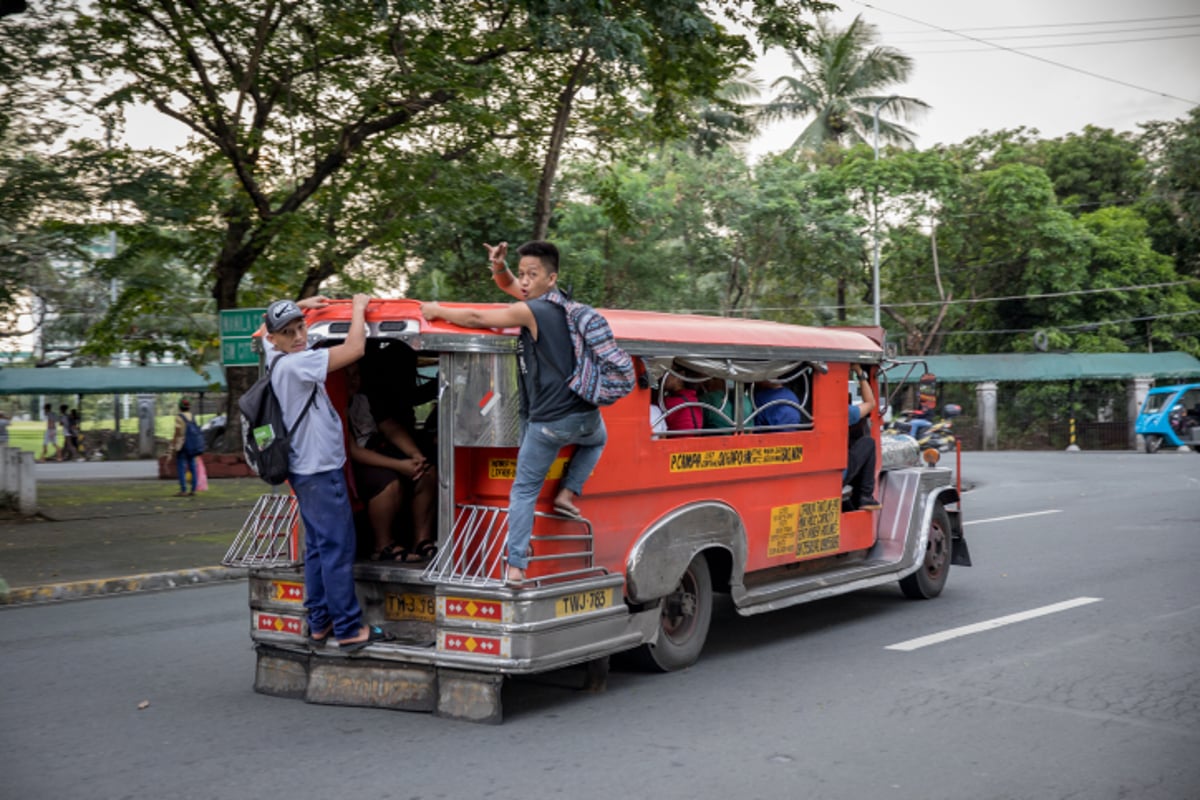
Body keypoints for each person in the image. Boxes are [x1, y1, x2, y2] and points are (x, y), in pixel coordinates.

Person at [420, 240, 607, 588]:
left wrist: (437, 311)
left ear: (550, 278)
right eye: (522, 274)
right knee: (599, 439)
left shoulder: (532, 312)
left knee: (523, 491)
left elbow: (477, 318)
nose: (523, 281)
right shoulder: (563, 305)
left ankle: (516, 567)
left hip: (548, 422)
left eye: (531, 275)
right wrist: (499, 266)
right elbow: (508, 286)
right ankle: (568, 493)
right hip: (585, 414)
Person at [265, 292, 384, 651]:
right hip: (319, 471)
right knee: (336, 549)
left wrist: (304, 303)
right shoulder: (296, 364)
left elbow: (264, 325)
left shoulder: (274, 356)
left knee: (317, 548)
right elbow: (354, 351)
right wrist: (359, 309)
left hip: (305, 470)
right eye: (288, 332)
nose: (299, 336)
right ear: (276, 340)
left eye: (301, 326)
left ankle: (319, 622)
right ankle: (348, 628)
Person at [344, 361, 437, 563]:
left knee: (427, 472)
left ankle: (422, 540)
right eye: (347, 375)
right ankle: (383, 545)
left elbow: (391, 429)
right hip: (354, 464)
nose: (352, 380)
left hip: (381, 452)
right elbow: (354, 451)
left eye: (356, 375)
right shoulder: (334, 404)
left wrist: (415, 455)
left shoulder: (365, 400)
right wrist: (400, 466)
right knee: (389, 482)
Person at [845, 365, 881, 511]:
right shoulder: (844, 411)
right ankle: (866, 496)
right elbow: (871, 403)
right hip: (835, 474)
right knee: (868, 443)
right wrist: (860, 372)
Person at [171, 398, 198, 496]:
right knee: (193, 467)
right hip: (192, 445)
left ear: (179, 407)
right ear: (189, 407)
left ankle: (183, 489)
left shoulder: (179, 417)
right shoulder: (192, 416)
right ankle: (194, 489)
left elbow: (177, 432)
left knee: (181, 467)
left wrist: (173, 444)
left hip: (182, 445)